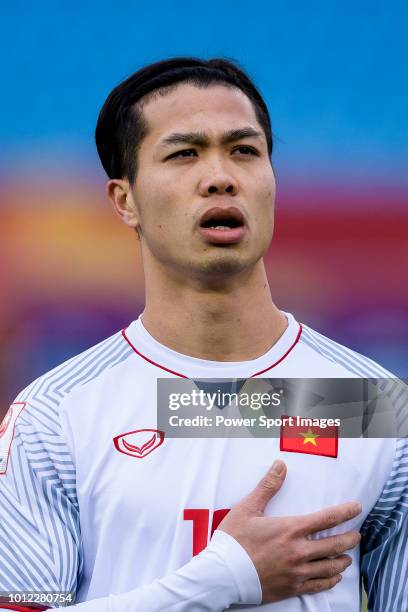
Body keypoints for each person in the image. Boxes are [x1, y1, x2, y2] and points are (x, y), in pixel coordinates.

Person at [0, 57, 406, 612]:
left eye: (244, 150)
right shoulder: (55, 413)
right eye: (184, 153)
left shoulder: (371, 402)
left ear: (272, 180)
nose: (220, 175)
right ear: (125, 201)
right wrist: (223, 579)